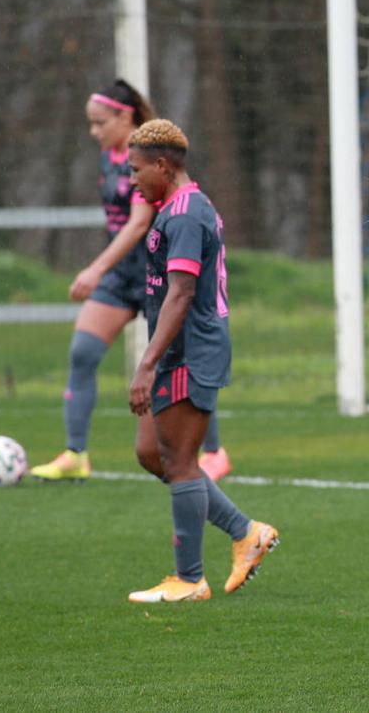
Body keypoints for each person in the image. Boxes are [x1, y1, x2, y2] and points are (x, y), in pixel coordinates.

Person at [30, 80, 232, 483]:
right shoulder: (110, 157)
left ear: (125, 117)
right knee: (83, 352)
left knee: (182, 366)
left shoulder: (153, 161)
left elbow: (140, 222)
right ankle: (75, 452)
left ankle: (214, 452)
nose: (94, 132)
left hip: (160, 272)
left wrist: (94, 269)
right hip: (122, 276)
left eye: (99, 123)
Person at [121, 119, 277, 603]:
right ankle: (245, 532)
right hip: (176, 349)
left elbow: (182, 292)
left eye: (137, 170)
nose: (132, 180)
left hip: (191, 350)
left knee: (182, 462)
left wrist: (146, 363)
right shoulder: (174, 207)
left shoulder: (186, 214)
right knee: (153, 454)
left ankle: (188, 580)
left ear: (163, 166)